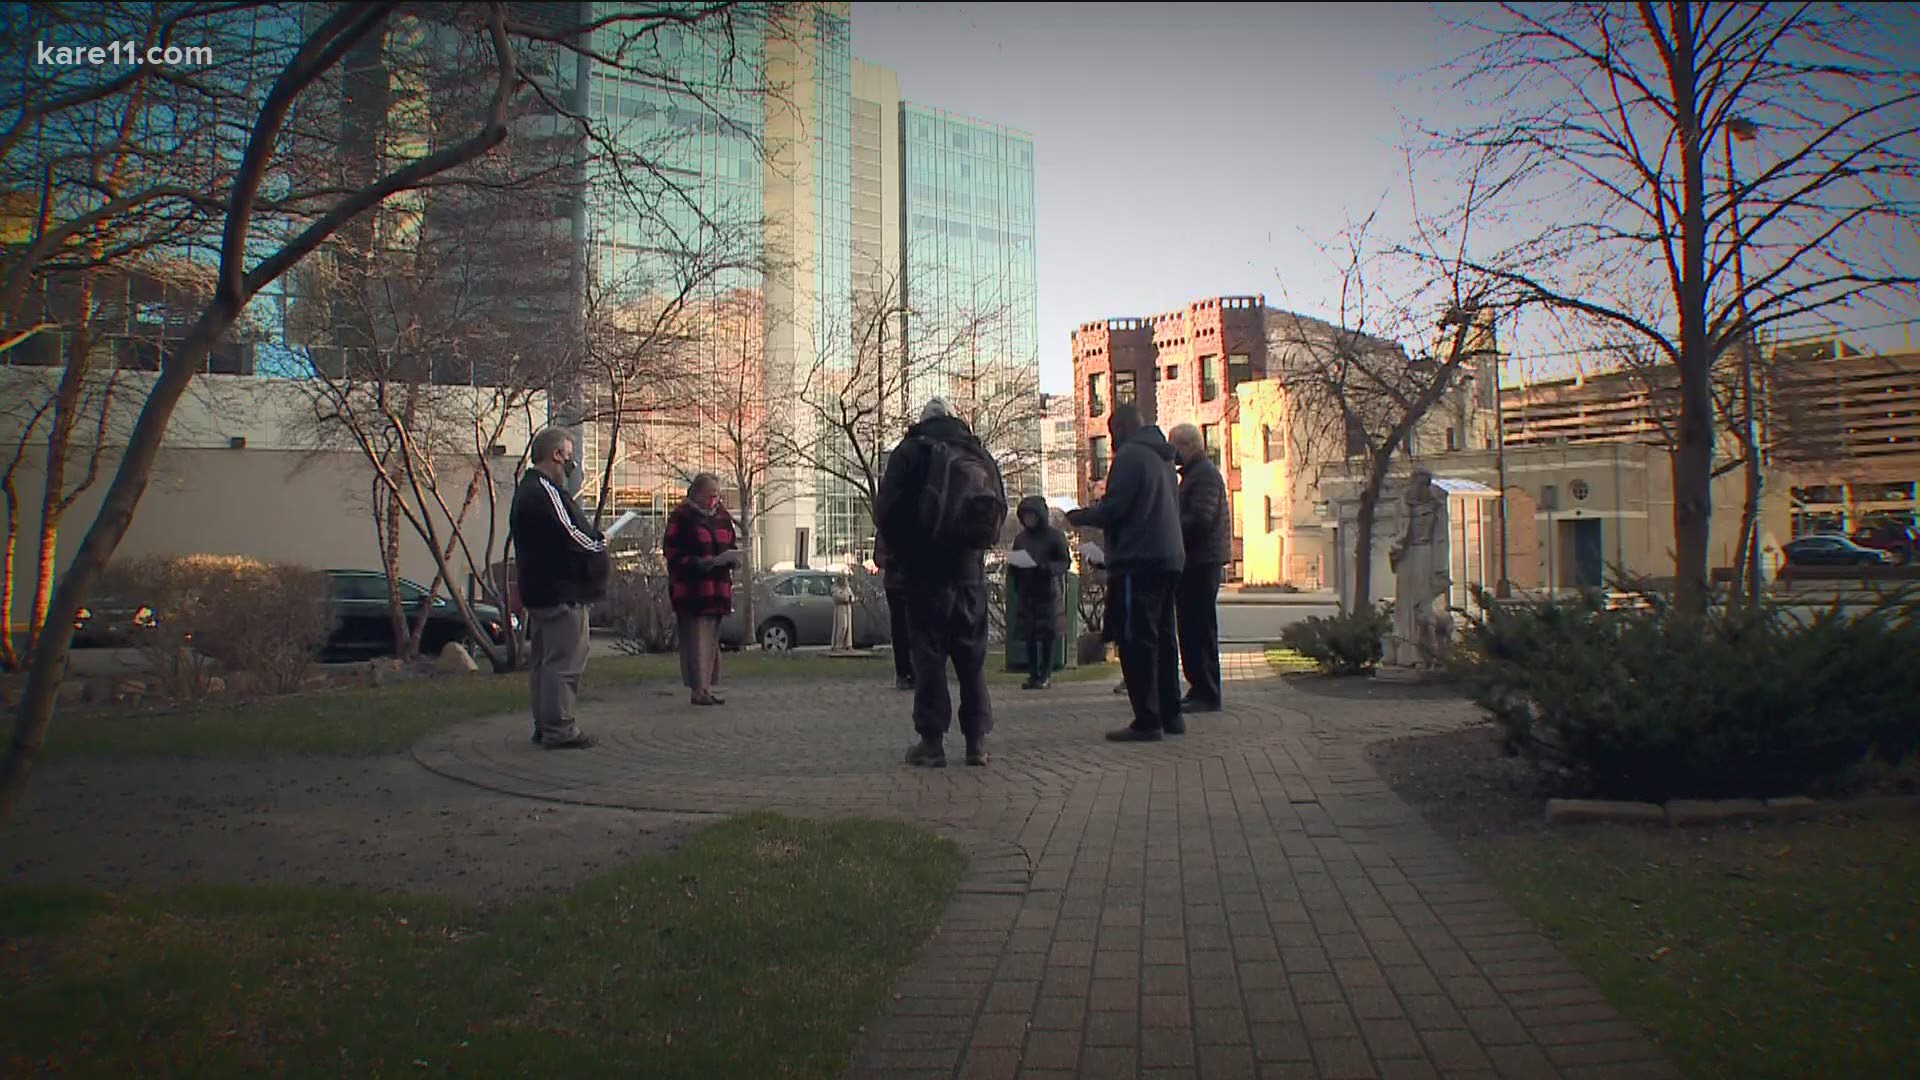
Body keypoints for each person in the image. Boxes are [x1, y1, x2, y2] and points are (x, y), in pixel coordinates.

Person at [874, 398, 1007, 768]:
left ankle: (931, 743)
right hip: (969, 570)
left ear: (923, 420)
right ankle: (977, 742)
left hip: (924, 570)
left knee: (928, 656)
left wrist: (902, 551)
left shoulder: (910, 451)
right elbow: (999, 506)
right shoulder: (977, 450)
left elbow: (887, 510)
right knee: (972, 657)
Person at [1067, 404, 1185, 741]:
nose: (1112, 440)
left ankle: (1147, 720)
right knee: (1163, 637)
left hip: (1139, 559)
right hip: (1168, 557)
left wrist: (1082, 516)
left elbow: (1117, 509)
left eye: (1113, 431)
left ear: (1122, 428)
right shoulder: (1162, 458)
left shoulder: (1131, 457)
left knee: (1136, 640)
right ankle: (1170, 713)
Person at [510, 427, 609, 749]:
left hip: (543, 590)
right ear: (556, 455)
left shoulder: (529, 490)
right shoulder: (545, 491)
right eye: (569, 456)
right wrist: (598, 543)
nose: (572, 464)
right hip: (560, 592)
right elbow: (571, 533)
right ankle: (559, 728)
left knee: (545, 661)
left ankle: (545, 724)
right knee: (564, 662)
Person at [663, 473, 740, 707]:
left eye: (717, 496)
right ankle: (698, 689)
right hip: (692, 590)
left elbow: (731, 543)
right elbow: (672, 553)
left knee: (710, 640)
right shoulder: (682, 516)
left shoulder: (722, 516)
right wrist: (701, 563)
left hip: (717, 589)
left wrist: (733, 559)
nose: (714, 501)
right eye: (710, 496)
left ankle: (706, 687)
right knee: (696, 639)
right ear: (696, 494)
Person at [1168, 423, 1230, 712]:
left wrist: (1169, 527)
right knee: (1192, 628)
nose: (1173, 453)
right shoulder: (1195, 476)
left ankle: (1207, 691)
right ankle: (1200, 688)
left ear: (1189, 446)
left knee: (1199, 628)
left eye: (1175, 446)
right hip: (1197, 560)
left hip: (1201, 561)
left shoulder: (1204, 476)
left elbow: (1201, 519)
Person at [1009, 495, 1072, 690]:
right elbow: (1014, 561)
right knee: (1029, 634)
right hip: (1027, 590)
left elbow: (1064, 562)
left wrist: (1048, 569)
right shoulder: (1021, 538)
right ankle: (1033, 674)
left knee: (1047, 634)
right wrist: (1015, 572)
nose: (1028, 520)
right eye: (1025, 516)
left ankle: (1045, 674)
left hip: (1047, 590)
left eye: (1031, 515)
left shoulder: (1055, 536)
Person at [875, 533, 913, 689]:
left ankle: (914, 670)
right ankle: (903, 672)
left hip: (913, 583)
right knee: (900, 629)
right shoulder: (885, 531)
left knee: (914, 629)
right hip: (896, 585)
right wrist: (893, 561)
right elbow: (879, 559)